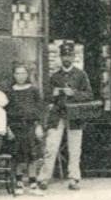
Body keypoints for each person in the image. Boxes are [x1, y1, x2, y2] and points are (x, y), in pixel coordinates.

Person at [39, 41, 96, 191]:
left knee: (75, 149)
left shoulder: (81, 75)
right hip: (57, 115)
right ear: (60, 57)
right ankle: (44, 178)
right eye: (64, 55)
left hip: (75, 116)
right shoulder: (55, 76)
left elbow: (89, 95)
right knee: (51, 147)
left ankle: (74, 178)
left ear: (74, 56)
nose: (66, 59)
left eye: (69, 55)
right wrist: (54, 93)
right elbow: (46, 97)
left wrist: (75, 93)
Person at [4, 64, 45, 195]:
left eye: (23, 73)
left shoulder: (33, 90)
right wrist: (7, 128)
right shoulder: (9, 92)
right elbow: (4, 112)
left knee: (32, 156)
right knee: (19, 157)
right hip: (16, 128)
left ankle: (33, 184)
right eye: (17, 73)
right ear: (14, 75)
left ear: (27, 75)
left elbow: (40, 109)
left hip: (31, 127)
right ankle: (19, 183)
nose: (20, 76)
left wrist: (39, 126)